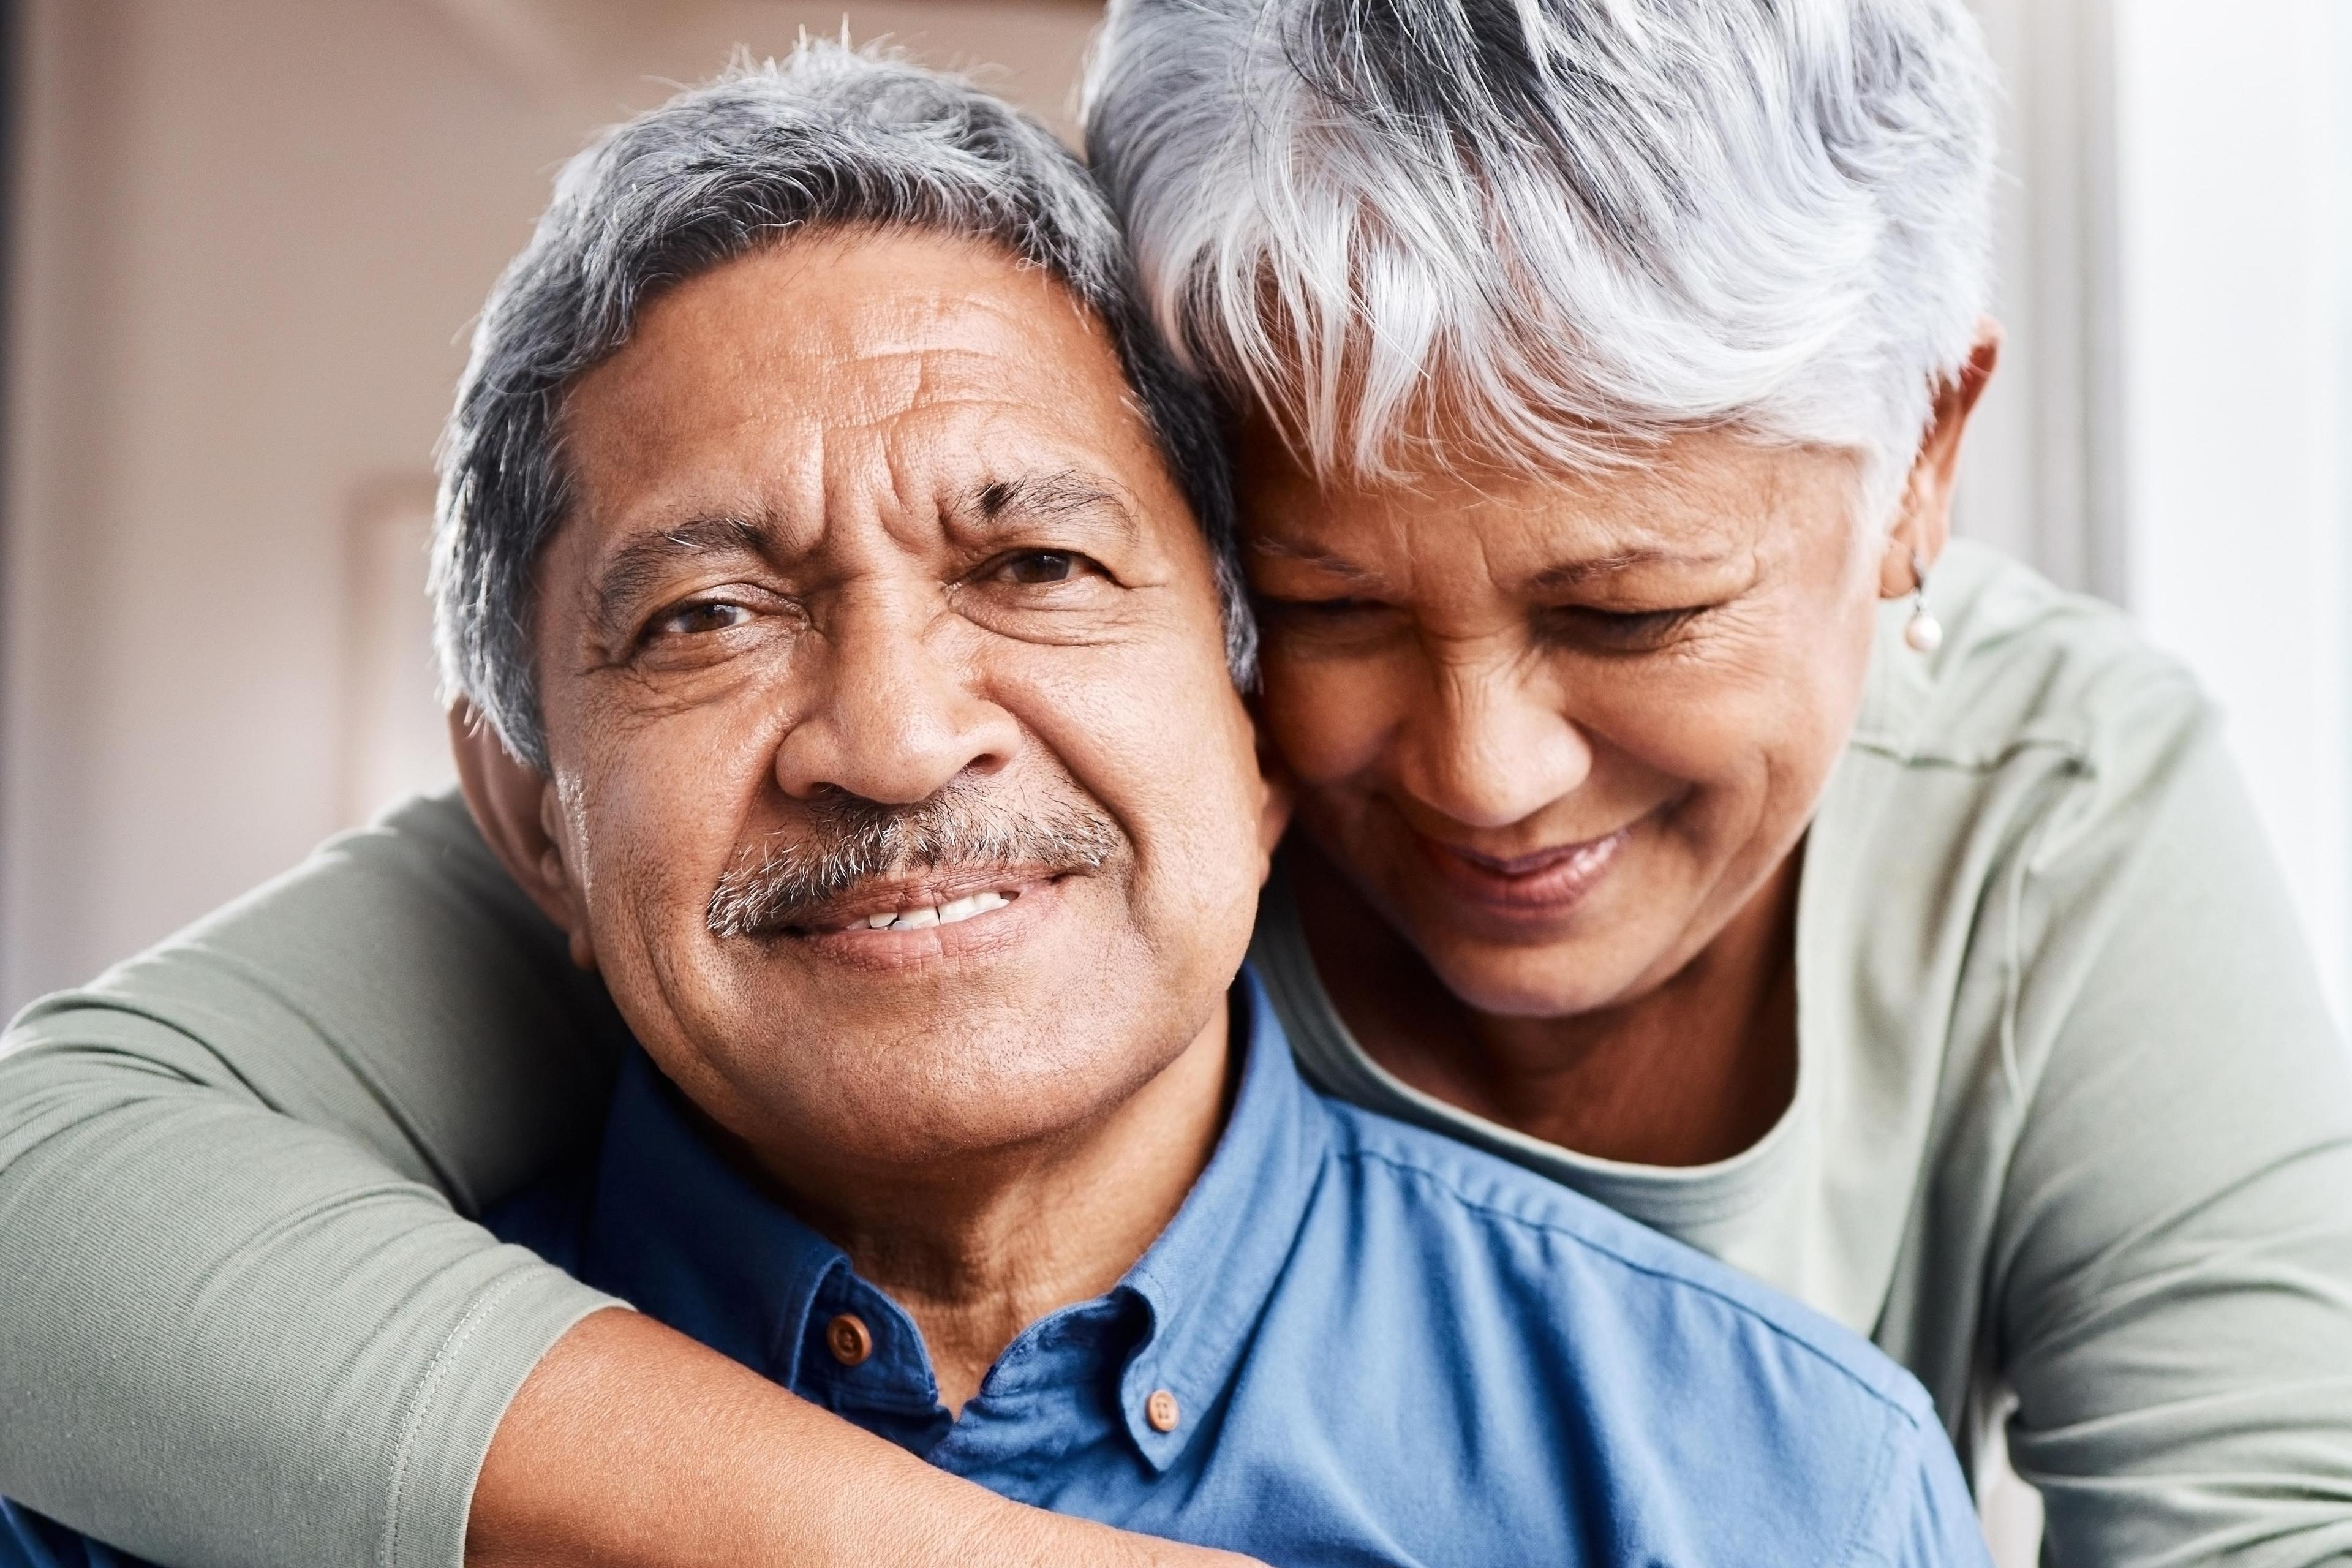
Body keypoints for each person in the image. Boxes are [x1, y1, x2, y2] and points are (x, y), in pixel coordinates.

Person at [4, 0, 2351, 1565]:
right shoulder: (747, 842)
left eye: (1627, 610)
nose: (1483, 769)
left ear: (1925, 462)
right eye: (1337, 602)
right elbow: (52, 1197)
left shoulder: (2046, 838)